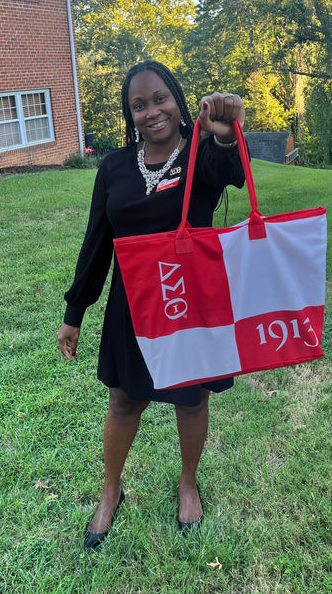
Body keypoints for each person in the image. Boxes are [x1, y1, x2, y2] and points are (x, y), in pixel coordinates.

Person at [56, 60, 246, 550]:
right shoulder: (115, 167)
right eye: (138, 105)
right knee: (123, 400)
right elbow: (97, 241)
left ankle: (187, 483)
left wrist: (224, 134)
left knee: (191, 397)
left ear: (178, 102)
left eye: (160, 98)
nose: (151, 112)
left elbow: (233, 171)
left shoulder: (201, 154)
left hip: (191, 299)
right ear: (130, 114)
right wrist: (75, 312)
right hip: (133, 301)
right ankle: (110, 490)